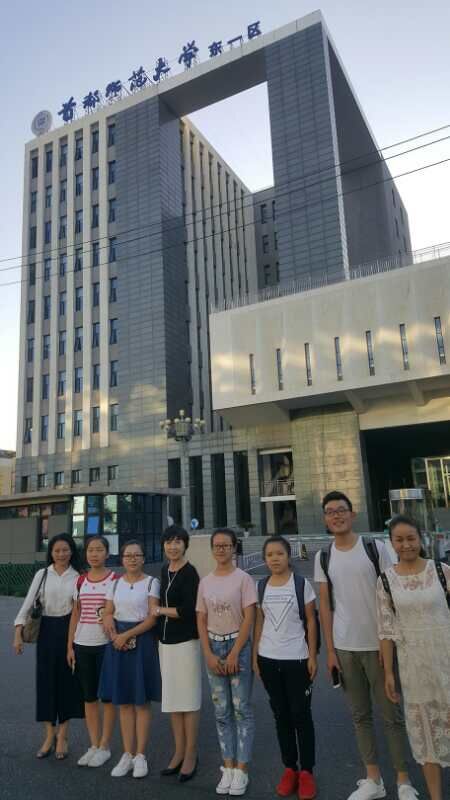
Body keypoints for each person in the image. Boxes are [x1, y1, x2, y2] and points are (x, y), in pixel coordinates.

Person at [314, 491, 417, 800]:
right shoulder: (323, 557)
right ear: (325, 519)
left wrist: (395, 643)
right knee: (360, 716)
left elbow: (394, 592)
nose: (336, 515)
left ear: (352, 513)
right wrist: (330, 651)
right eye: (330, 512)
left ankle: (403, 780)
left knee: (391, 715)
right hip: (345, 647)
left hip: (380, 645)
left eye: (341, 510)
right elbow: (324, 606)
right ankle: (373, 779)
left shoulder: (376, 548)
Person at [377, 515, 450, 800]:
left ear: (421, 539)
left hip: (446, 661)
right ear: (392, 543)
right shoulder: (386, 580)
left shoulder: (441, 571)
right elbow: (386, 630)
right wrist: (389, 673)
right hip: (414, 668)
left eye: (411, 538)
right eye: (399, 540)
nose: (406, 545)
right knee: (427, 735)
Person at [253, 536, 318, 800]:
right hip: (268, 659)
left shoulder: (301, 585)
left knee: (301, 715)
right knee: (281, 715)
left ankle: (307, 772)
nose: (275, 558)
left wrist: (312, 656)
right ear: (265, 559)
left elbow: (311, 621)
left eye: (279, 553)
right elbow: (259, 622)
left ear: (288, 556)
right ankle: (290, 768)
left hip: (297, 659)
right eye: (270, 555)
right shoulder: (261, 586)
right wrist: (256, 656)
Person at [196, 527, 257, 797]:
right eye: (217, 546)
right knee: (221, 712)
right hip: (214, 646)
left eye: (226, 545)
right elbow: (201, 618)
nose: (221, 549)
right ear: (212, 549)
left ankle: (242, 769)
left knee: (241, 709)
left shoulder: (244, 579)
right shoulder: (205, 581)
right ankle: (228, 766)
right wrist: (208, 653)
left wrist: (234, 653)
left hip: (237, 646)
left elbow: (249, 616)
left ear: (234, 548)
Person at [13, 533, 84, 759]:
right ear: (51, 553)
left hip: (70, 630)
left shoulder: (78, 576)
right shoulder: (42, 574)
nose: (61, 554)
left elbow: (81, 609)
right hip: (46, 630)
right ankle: (48, 735)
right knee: (45, 684)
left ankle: (63, 736)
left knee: (67, 684)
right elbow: (27, 603)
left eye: (65, 550)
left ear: (71, 551)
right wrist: (17, 633)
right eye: (56, 550)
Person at [99, 539, 161, 779]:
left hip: (141, 641)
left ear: (143, 558)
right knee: (124, 701)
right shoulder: (114, 584)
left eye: (137, 555)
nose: (132, 559)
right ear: (122, 559)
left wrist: (126, 635)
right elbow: (107, 612)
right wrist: (114, 632)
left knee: (141, 702)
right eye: (128, 555)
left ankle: (140, 755)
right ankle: (127, 753)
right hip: (117, 642)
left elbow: (152, 618)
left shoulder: (151, 583)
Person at [155, 525, 201, 783]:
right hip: (165, 642)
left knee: (189, 699)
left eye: (177, 542)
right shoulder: (165, 570)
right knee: (173, 699)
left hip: (186, 642)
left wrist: (160, 610)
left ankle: (191, 753)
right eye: (168, 542)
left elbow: (188, 610)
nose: (173, 547)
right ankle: (179, 751)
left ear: (185, 545)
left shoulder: (190, 572)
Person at [67, 535, 117, 767]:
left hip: (106, 646)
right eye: (90, 550)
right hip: (82, 644)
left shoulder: (115, 580)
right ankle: (94, 744)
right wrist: (70, 646)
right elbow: (75, 614)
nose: (94, 554)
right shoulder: (80, 581)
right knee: (89, 698)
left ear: (107, 553)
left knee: (107, 698)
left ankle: (105, 746)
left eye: (99, 550)